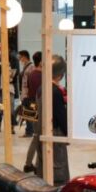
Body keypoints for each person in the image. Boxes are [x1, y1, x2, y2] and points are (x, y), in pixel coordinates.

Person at [34, 55, 69, 184]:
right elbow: (61, 117)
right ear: (60, 75)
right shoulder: (55, 92)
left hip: (41, 132)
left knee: (43, 169)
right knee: (58, 173)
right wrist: (68, 134)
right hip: (54, 135)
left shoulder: (41, 88)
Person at [23, 52, 43, 173]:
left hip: (33, 108)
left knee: (37, 136)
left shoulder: (31, 74)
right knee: (37, 137)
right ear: (41, 62)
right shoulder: (41, 76)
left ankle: (31, 164)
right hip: (40, 109)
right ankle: (30, 164)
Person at [0, 44, 16, 133]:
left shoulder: (13, 65)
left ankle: (12, 126)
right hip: (1, 90)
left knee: (11, 109)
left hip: (11, 89)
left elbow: (15, 78)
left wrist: (12, 76)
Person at [17, 50, 35, 137]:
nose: (19, 59)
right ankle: (29, 130)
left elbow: (31, 81)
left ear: (24, 57)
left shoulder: (31, 67)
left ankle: (29, 131)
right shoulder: (25, 66)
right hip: (24, 93)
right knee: (26, 112)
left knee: (28, 112)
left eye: (20, 57)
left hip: (28, 94)